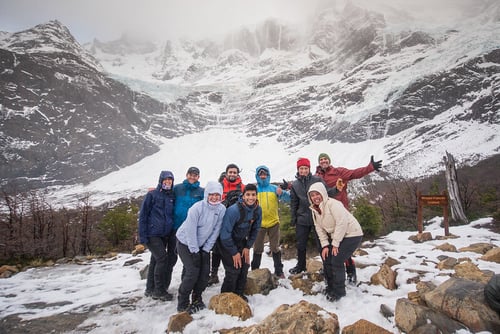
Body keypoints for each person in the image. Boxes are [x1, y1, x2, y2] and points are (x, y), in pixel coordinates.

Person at [315, 152, 382, 283]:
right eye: (321, 160)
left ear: (329, 160)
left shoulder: (339, 172)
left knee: (342, 245)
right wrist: (289, 187)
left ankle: (351, 270)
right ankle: (329, 268)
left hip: (341, 212)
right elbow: (308, 186)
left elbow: (354, 173)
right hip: (326, 214)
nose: (323, 161)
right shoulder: (317, 176)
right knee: (328, 244)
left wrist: (370, 167)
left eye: (325, 159)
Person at [307, 182, 363, 301]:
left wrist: (335, 243)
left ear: (323, 193)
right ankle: (330, 287)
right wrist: (326, 245)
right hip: (338, 235)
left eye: (317, 194)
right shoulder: (314, 210)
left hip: (352, 233)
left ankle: (339, 292)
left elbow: (341, 223)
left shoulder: (333, 204)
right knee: (327, 257)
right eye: (312, 195)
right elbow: (319, 229)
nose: (315, 197)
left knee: (336, 259)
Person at [175, 181, 226, 313]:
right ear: (206, 195)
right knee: (192, 272)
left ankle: (197, 297)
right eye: (211, 194)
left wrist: (205, 249)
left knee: (204, 274)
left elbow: (216, 230)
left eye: (217, 195)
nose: (214, 197)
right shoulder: (196, 208)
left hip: (203, 246)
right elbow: (190, 231)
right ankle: (183, 301)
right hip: (185, 243)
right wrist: (194, 251)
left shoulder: (221, 210)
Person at [288, 158, 341, 275]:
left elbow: (327, 193)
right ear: (298, 169)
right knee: (301, 244)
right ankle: (300, 266)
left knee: (322, 243)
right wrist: (293, 219)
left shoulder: (317, 180)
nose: (303, 171)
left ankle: (327, 267)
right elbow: (294, 203)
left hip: (318, 216)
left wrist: (336, 189)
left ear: (309, 169)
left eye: (306, 168)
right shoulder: (295, 185)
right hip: (302, 218)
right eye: (301, 168)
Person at [216, 183, 261, 301]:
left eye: (253, 195)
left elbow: (256, 229)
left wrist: (247, 247)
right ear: (243, 195)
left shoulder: (257, 210)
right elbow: (225, 235)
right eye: (248, 195)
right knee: (233, 269)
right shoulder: (234, 210)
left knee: (245, 266)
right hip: (226, 242)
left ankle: (239, 294)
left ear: (256, 196)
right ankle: (226, 297)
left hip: (241, 241)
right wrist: (233, 252)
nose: (251, 198)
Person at [138, 170, 175, 301]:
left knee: (155, 259)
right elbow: (143, 215)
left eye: (170, 180)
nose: (168, 182)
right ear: (161, 180)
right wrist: (142, 236)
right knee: (162, 259)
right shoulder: (152, 195)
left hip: (164, 234)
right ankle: (159, 290)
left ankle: (150, 289)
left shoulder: (171, 196)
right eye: (165, 179)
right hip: (152, 234)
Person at [208, 163, 245, 286]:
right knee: (216, 249)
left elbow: (249, 201)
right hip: (220, 221)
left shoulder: (242, 187)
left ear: (237, 174)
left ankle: (236, 273)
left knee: (237, 246)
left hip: (237, 223)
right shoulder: (220, 186)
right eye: (230, 172)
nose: (233, 174)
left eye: (235, 172)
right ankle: (214, 274)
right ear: (227, 173)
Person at [251, 165, 290, 278]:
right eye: (261, 174)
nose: (263, 176)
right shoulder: (254, 190)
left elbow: (288, 199)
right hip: (259, 224)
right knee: (257, 248)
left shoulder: (274, 188)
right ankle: (255, 270)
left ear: (268, 175)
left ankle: (279, 271)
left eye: (265, 174)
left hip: (274, 223)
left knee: (275, 247)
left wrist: (282, 193)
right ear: (257, 176)